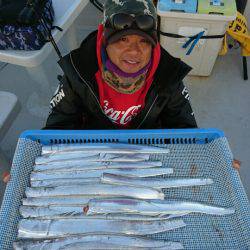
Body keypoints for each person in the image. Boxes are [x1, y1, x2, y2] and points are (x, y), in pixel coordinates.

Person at [44, 0, 197, 130]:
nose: (134, 51)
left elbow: (185, 129)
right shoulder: (77, 70)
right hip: (94, 152)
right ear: (104, 38)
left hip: (146, 152)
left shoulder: (169, 75)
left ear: (153, 44)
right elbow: (58, 126)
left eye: (143, 41)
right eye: (123, 39)